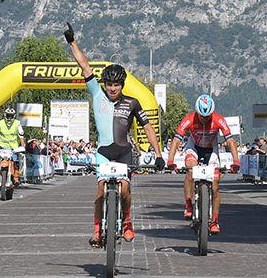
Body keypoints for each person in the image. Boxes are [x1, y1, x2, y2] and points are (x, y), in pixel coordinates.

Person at [64, 21, 164, 246]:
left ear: (122, 85)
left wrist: (158, 155)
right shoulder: (97, 95)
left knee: (126, 188)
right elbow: (85, 66)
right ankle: (97, 230)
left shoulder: (133, 102)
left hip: (124, 153)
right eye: (109, 84)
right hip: (103, 152)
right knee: (100, 190)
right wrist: (72, 42)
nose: (112, 88)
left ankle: (127, 222)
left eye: (116, 85)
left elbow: (147, 128)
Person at [166, 93, 240, 234]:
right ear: (197, 112)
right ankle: (188, 206)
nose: (205, 119)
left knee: (216, 184)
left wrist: (236, 161)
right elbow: (176, 141)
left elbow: (230, 141)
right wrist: (170, 161)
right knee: (190, 171)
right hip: (193, 147)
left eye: (208, 116)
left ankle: (214, 222)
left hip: (211, 149)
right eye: (202, 116)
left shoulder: (219, 119)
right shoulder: (189, 119)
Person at [0, 106, 25, 185]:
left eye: (11, 116)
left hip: (13, 148)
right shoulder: (0, 123)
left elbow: (21, 136)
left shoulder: (17, 124)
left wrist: (22, 146)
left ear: (14, 116)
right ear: (5, 115)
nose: (9, 117)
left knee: (16, 161)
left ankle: (16, 178)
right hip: (2, 147)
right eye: (8, 115)